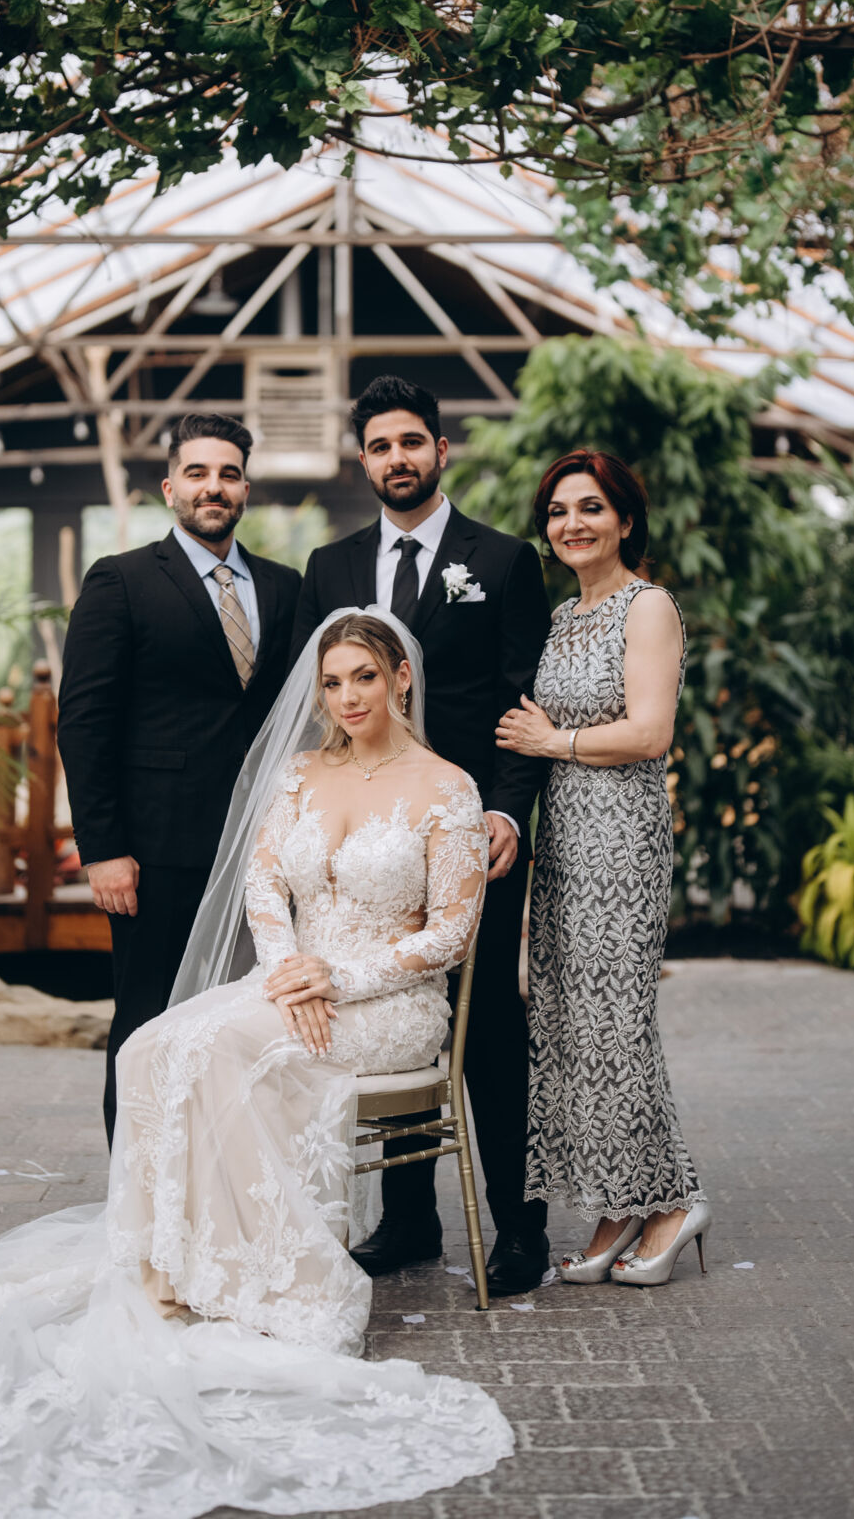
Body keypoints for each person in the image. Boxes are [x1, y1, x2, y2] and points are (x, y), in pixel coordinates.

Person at [0, 610, 514, 1514]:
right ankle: (171, 1264)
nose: (347, 698)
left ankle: (274, 1280)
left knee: (220, 1048)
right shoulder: (301, 772)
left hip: (386, 1003)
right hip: (292, 984)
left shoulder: (447, 787)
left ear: (400, 677)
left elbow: (452, 934)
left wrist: (338, 976)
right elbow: (263, 885)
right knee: (154, 1045)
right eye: (331, 682)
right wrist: (287, 968)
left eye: (363, 677)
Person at [291, 375, 552, 1295]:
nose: (395, 459)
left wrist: (507, 812)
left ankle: (519, 1225)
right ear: (361, 460)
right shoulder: (328, 567)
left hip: (476, 838)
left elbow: (527, 702)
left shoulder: (505, 561)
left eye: (410, 442)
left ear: (441, 450)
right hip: (376, 840)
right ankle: (408, 1222)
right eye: (379, 446)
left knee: (490, 1029)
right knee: (392, 1012)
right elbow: (317, 705)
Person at [496, 450, 711, 1287]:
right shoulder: (560, 617)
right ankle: (621, 1204)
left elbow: (651, 732)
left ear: (625, 520)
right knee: (574, 1025)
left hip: (621, 841)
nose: (572, 524)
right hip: (563, 841)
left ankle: (674, 1202)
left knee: (618, 1024)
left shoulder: (646, 606)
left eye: (590, 507)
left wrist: (554, 741)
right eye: (557, 511)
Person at [58, 411, 300, 1143]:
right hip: (155, 853)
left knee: (247, 1023)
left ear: (246, 489)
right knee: (146, 1023)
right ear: (170, 488)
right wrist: (103, 849)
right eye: (197, 473)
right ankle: (137, 1188)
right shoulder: (122, 581)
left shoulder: (286, 588)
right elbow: (84, 722)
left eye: (228, 474)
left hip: (263, 851)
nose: (213, 487)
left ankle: (224, 1177)